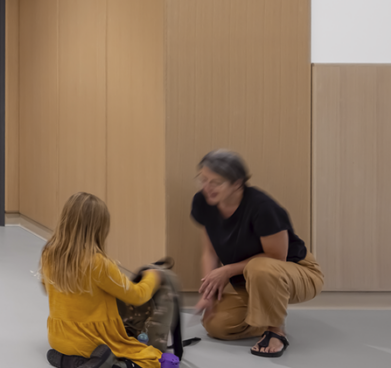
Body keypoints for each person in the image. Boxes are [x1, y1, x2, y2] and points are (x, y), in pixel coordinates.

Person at [191, 149, 322, 358]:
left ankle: (275, 330)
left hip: (296, 271)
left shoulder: (263, 208)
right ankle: (265, 315)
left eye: (215, 182)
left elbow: (275, 259)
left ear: (237, 183)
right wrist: (209, 294)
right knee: (216, 325)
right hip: (250, 281)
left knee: (260, 267)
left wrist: (227, 271)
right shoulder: (204, 202)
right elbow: (209, 251)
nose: (207, 188)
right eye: (203, 179)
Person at [41, 192, 170, 368]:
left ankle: (69, 361)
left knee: (76, 349)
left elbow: (46, 287)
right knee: (153, 359)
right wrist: (153, 276)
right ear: (100, 228)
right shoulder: (98, 263)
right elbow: (137, 296)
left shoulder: (49, 254)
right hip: (93, 343)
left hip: (57, 338)